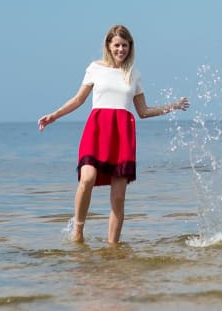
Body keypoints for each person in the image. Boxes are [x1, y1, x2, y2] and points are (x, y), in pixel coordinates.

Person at [38, 25, 189, 244]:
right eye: (117, 45)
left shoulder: (134, 74)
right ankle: (78, 232)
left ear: (130, 47)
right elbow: (78, 99)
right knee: (87, 178)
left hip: (122, 135)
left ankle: (113, 247)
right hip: (97, 130)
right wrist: (55, 115)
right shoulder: (95, 68)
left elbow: (143, 111)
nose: (121, 49)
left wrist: (173, 106)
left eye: (125, 45)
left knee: (118, 198)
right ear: (108, 45)